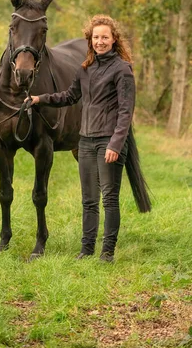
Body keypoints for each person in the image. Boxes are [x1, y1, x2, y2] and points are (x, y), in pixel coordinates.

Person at [27, 15, 135, 262]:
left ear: (113, 39)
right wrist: (39, 99)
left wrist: (116, 144)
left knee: (109, 199)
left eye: (105, 37)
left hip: (109, 141)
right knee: (88, 200)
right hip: (85, 141)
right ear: (90, 39)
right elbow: (68, 96)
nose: (100, 42)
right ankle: (86, 250)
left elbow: (126, 112)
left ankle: (107, 252)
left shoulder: (122, 69)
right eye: (96, 37)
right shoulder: (85, 68)